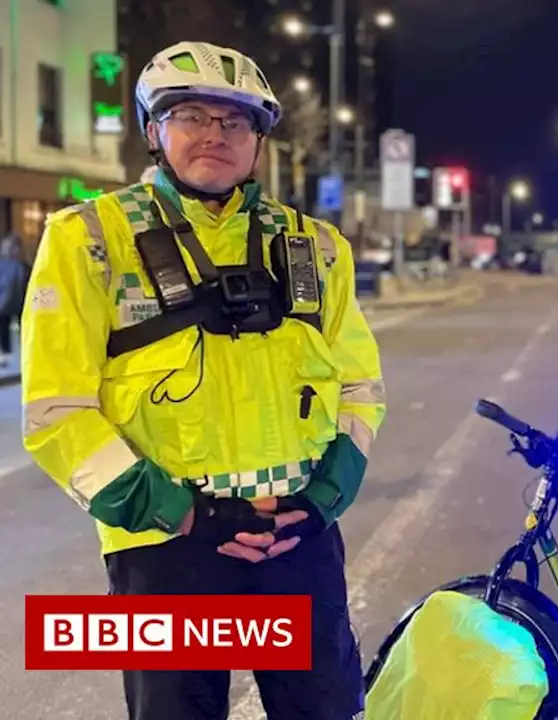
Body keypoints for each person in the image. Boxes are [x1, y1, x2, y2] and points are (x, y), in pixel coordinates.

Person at [21, 42, 384, 720]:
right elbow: (56, 412)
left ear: (258, 141)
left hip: (295, 539)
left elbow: (359, 386)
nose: (215, 134)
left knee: (327, 709)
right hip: (167, 553)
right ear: (154, 132)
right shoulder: (87, 240)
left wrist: (324, 498)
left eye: (235, 121)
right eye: (191, 115)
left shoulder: (318, 247)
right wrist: (182, 512)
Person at [0, 235, 27, 367]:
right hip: (4, 301)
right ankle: (5, 354)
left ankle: (24, 353)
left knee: (24, 328)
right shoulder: (3, 264)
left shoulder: (23, 265)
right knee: (4, 327)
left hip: (21, 302)